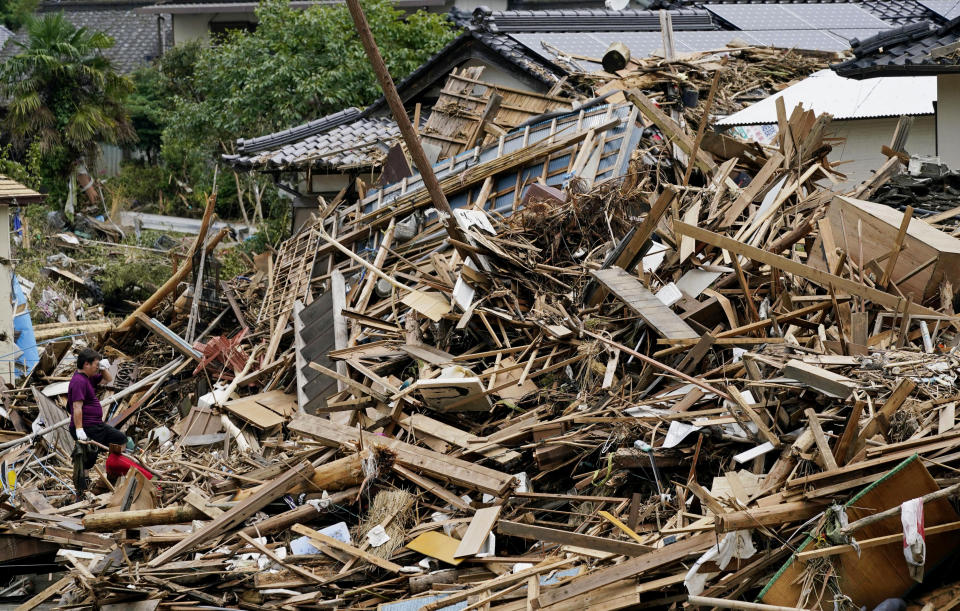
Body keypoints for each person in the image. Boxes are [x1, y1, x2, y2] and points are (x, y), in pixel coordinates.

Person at [68, 348, 126, 470]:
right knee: (88, 460)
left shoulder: (87, 377)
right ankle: (82, 484)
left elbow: (108, 379)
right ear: (86, 364)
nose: (96, 367)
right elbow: (76, 407)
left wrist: (103, 368)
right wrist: (79, 429)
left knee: (119, 440)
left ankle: (112, 471)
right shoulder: (79, 381)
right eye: (95, 364)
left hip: (95, 425)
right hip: (88, 427)